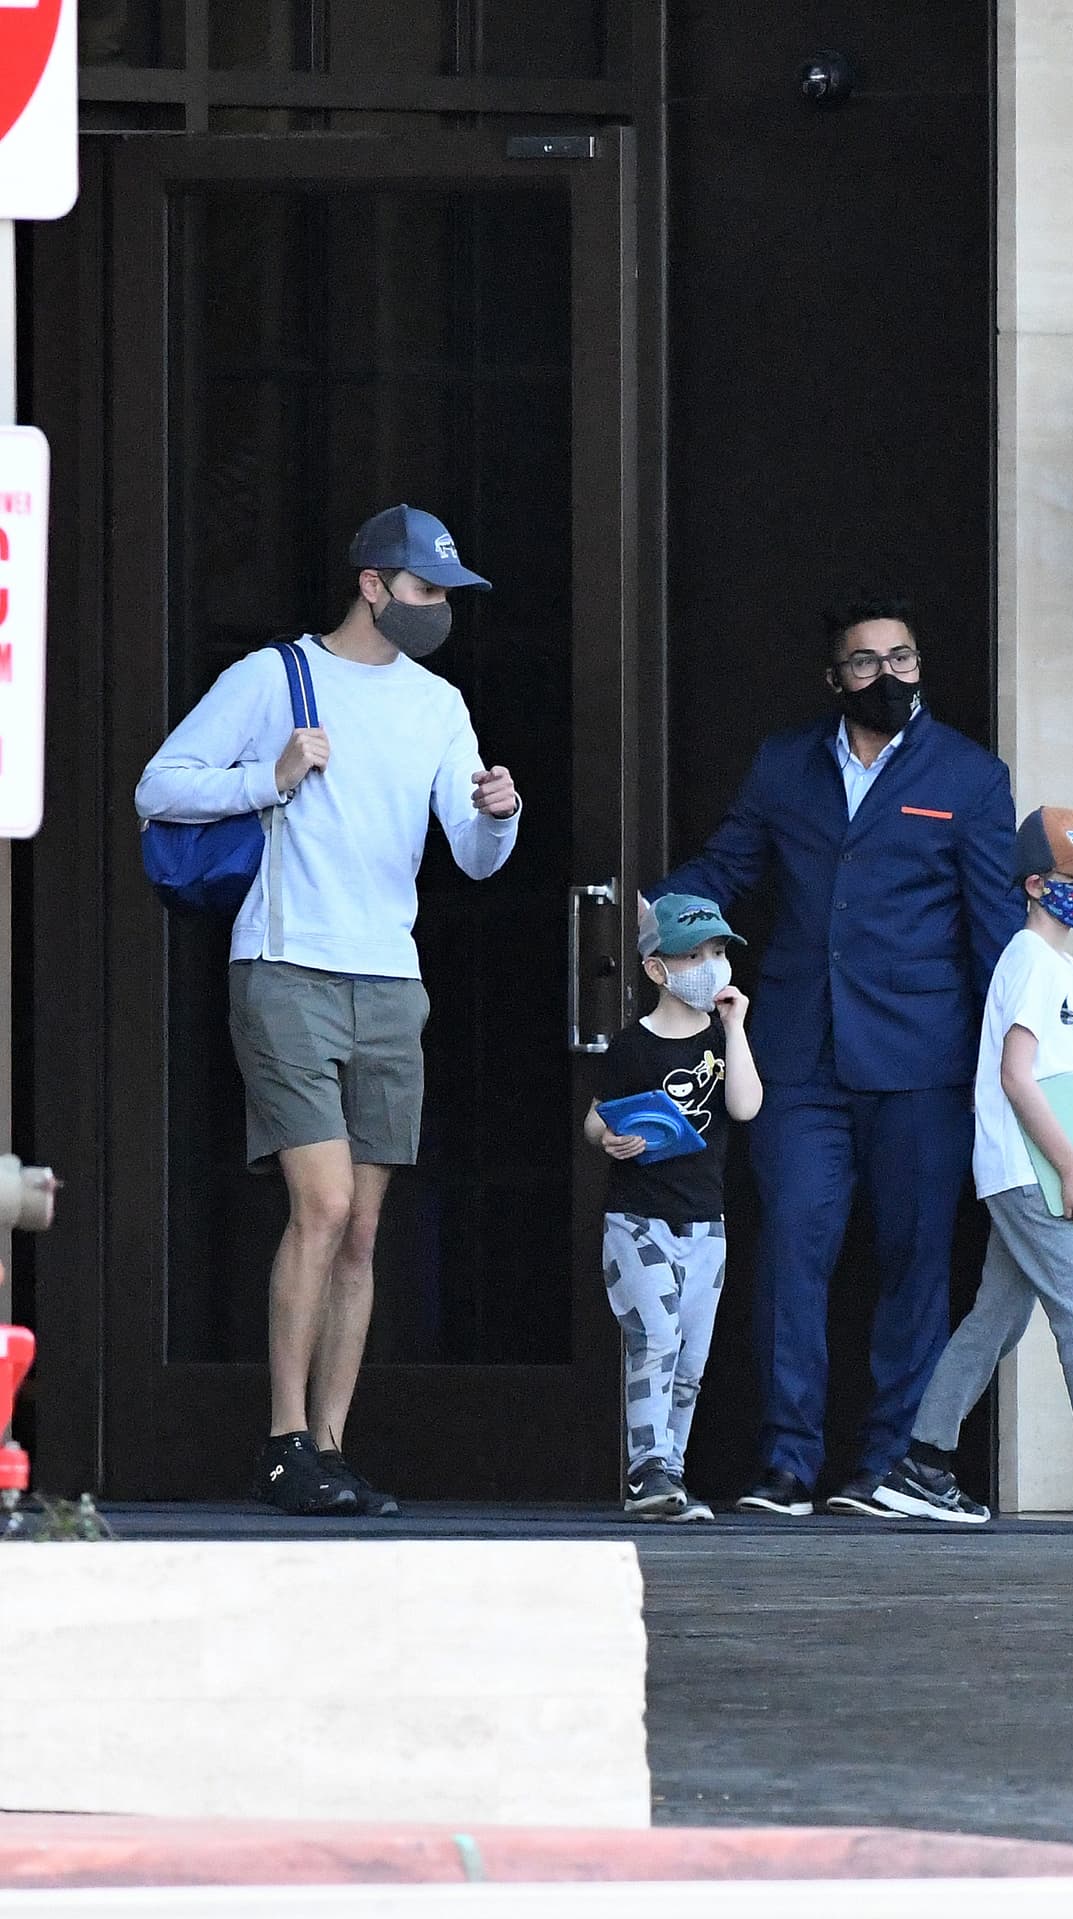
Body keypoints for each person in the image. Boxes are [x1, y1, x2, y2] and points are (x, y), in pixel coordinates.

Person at [136, 504, 521, 1517]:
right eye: (424, 588)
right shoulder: (277, 678)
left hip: (389, 976)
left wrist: (498, 815)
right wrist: (270, 775)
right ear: (371, 583)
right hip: (285, 963)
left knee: (363, 1229)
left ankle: (332, 1446)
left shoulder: (438, 702)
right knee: (325, 1205)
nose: (436, 606)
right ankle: (282, 1439)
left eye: (444, 593)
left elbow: (471, 856)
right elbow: (157, 786)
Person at [649, 592, 1023, 1517]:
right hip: (798, 1056)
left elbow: (997, 932)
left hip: (923, 1063)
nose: (887, 674)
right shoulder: (784, 764)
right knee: (791, 1252)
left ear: (919, 665)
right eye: (866, 661)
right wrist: (661, 910)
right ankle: (787, 1463)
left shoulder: (971, 777)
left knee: (914, 1263)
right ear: (835, 677)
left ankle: (894, 1462)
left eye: (902, 657)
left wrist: (1011, 1066)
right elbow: (729, 867)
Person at [876, 807, 1073, 1527]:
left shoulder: (1063, 968)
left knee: (995, 1317)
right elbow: (1016, 1078)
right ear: (1035, 884)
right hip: (1030, 1172)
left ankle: (921, 1463)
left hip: (1031, 1168)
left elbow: (1060, 1077)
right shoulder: (1028, 960)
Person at [585, 895, 763, 1521]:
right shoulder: (634, 1046)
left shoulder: (722, 1038)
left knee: (690, 1358)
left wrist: (737, 1029)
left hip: (705, 1223)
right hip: (638, 1219)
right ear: (658, 970)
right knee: (655, 1339)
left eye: (718, 953)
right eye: (695, 955)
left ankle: (672, 1473)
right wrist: (609, 1138)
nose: (711, 966)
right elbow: (596, 1118)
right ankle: (646, 1470)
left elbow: (744, 1106)